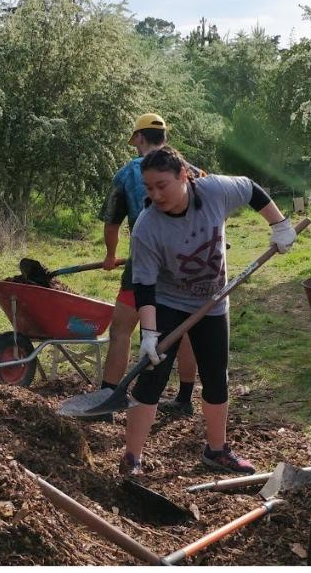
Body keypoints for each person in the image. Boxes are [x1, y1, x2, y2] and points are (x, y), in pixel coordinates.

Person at [119, 146, 296, 476]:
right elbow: (144, 285)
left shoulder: (215, 191)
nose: (156, 194)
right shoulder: (147, 227)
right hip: (168, 302)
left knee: (216, 377)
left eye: (163, 185)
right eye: (149, 188)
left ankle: (216, 451)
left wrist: (280, 224)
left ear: (183, 176)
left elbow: (251, 189)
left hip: (213, 301)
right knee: (152, 378)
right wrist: (150, 333)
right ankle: (132, 458)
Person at [99, 113, 199, 417]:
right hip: (188, 265)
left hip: (143, 264)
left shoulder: (128, 174)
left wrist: (110, 255)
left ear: (140, 138)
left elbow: (111, 223)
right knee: (184, 331)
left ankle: (106, 399)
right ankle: (184, 399)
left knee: (122, 329)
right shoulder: (188, 171)